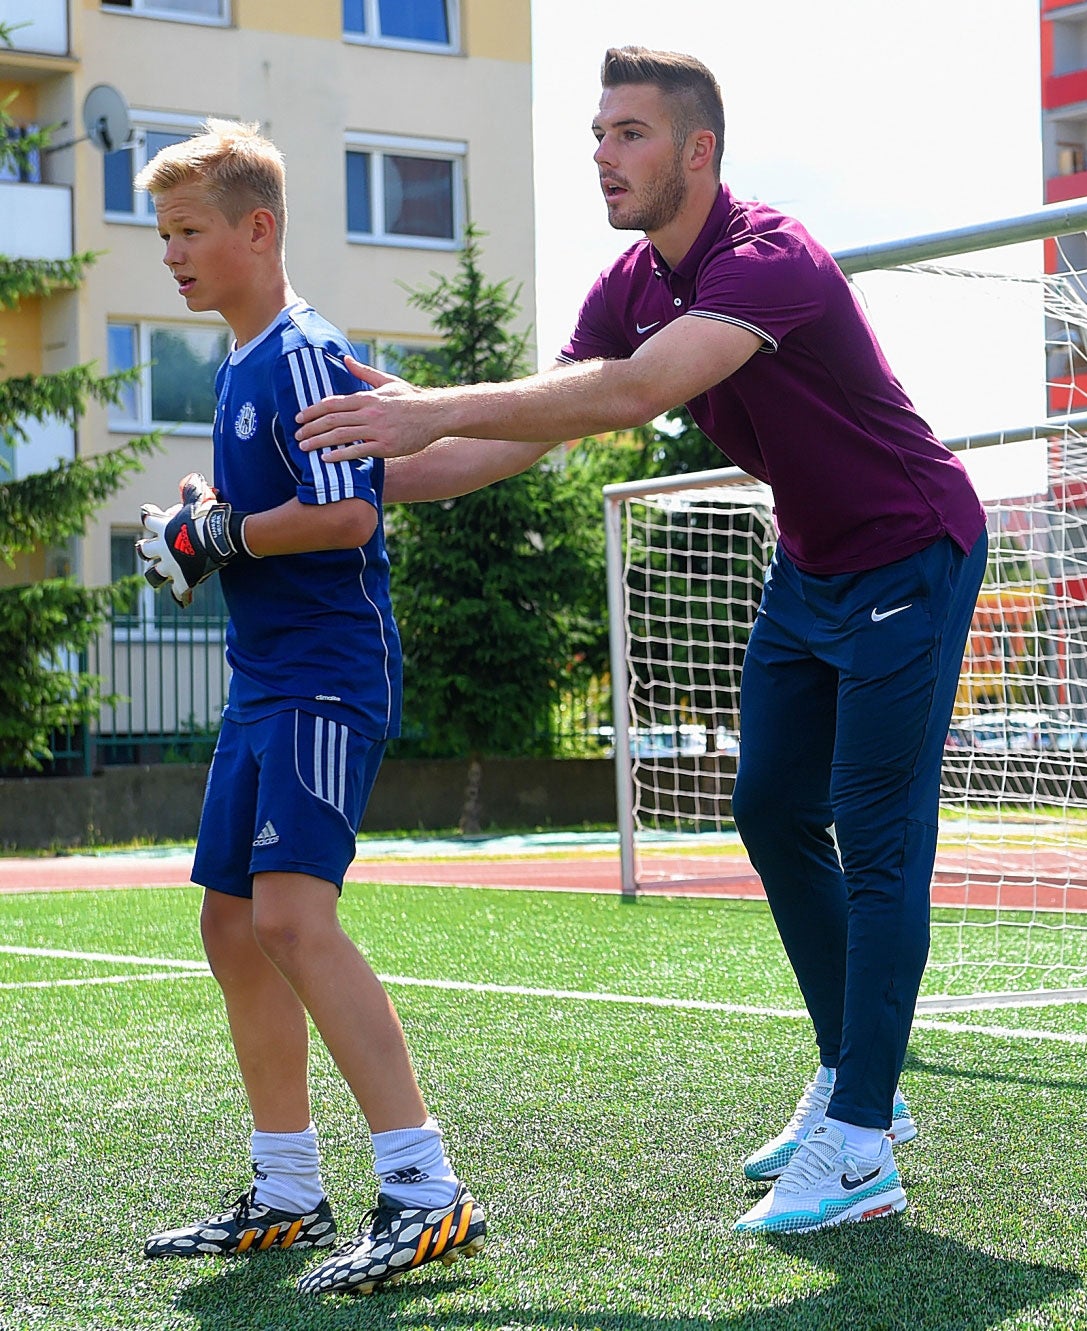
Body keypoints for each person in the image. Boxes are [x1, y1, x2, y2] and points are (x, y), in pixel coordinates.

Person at [294, 47, 988, 1233]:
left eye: (628, 133)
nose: (602, 155)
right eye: (598, 132)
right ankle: (850, 1079)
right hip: (811, 565)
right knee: (770, 808)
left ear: (696, 151)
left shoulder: (771, 256)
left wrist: (427, 404)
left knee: (875, 838)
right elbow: (519, 439)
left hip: (910, 550)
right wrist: (360, 467)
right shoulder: (626, 284)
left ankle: (864, 1138)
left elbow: (625, 396)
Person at [131, 120, 486, 1295]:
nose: (171, 252)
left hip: (327, 674)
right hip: (264, 678)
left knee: (289, 918)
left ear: (258, 228)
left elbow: (347, 517)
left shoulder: (300, 352)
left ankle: (427, 1190)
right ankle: (286, 1191)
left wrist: (222, 531)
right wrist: (203, 516)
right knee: (229, 926)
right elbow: (264, 507)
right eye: (165, 231)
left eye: (190, 231)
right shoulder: (242, 362)